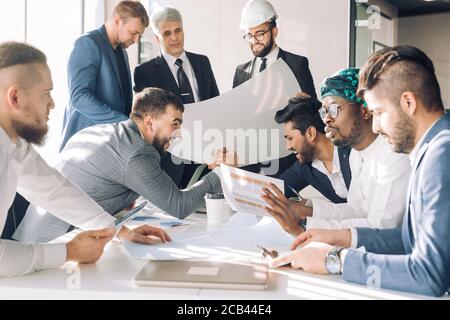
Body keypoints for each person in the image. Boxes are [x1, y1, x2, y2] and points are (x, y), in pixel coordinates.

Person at [270, 45, 450, 297]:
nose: (374, 126)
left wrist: (337, 260)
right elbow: (406, 240)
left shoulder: (442, 153)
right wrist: (335, 239)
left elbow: (429, 275)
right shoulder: (434, 147)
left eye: (378, 112)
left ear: (408, 102)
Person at [0, 42, 169, 278]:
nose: (52, 104)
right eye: (46, 94)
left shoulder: (14, 145)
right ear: (15, 97)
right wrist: (68, 252)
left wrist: (117, 230)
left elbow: (55, 190)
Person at [14, 88, 237, 243]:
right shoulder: (136, 152)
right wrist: (221, 173)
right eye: (174, 124)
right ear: (149, 122)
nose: (178, 133)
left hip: (31, 233)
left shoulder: (102, 131)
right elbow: (179, 206)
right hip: (55, 242)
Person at [263, 68, 410, 235]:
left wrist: (305, 227)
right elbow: (355, 210)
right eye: (324, 111)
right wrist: (305, 214)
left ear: (365, 109)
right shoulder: (357, 154)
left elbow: (381, 227)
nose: (326, 118)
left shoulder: (393, 153)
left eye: (334, 109)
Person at [134, 6, 220, 189]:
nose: (174, 37)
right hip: (170, 157)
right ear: (157, 38)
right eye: (166, 33)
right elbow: (148, 122)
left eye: (177, 30)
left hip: (204, 151)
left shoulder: (202, 63)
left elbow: (215, 104)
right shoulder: (145, 72)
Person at [234, 0, 317, 178]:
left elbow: (313, 111)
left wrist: (303, 104)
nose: (254, 40)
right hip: (250, 158)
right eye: (249, 35)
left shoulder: (297, 64)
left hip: (284, 158)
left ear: (274, 31)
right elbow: (236, 116)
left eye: (260, 33)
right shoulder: (241, 71)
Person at [60, 1, 149, 150]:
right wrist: (124, 123)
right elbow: (79, 96)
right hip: (85, 144)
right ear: (117, 20)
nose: (135, 40)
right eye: (133, 33)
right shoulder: (87, 43)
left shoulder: (122, 53)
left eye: (139, 35)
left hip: (111, 144)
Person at [274, 94, 351, 215]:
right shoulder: (304, 168)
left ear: (310, 133)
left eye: (290, 138)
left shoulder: (354, 150)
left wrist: (310, 210)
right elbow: (269, 194)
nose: (288, 146)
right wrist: (233, 170)